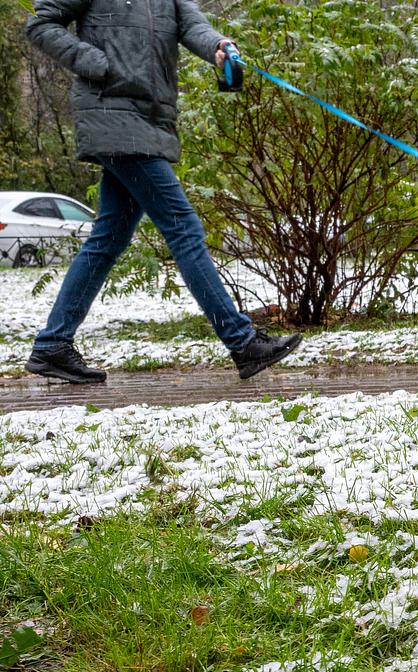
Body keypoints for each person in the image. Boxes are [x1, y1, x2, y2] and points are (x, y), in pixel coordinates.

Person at [24, 0, 301, 384]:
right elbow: (40, 24)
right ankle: (242, 342)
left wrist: (220, 47)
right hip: (112, 115)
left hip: (150, 120)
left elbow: (194, 28)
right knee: (183, 229)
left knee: (108, 238)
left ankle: (52, 346)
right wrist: (96, 63)